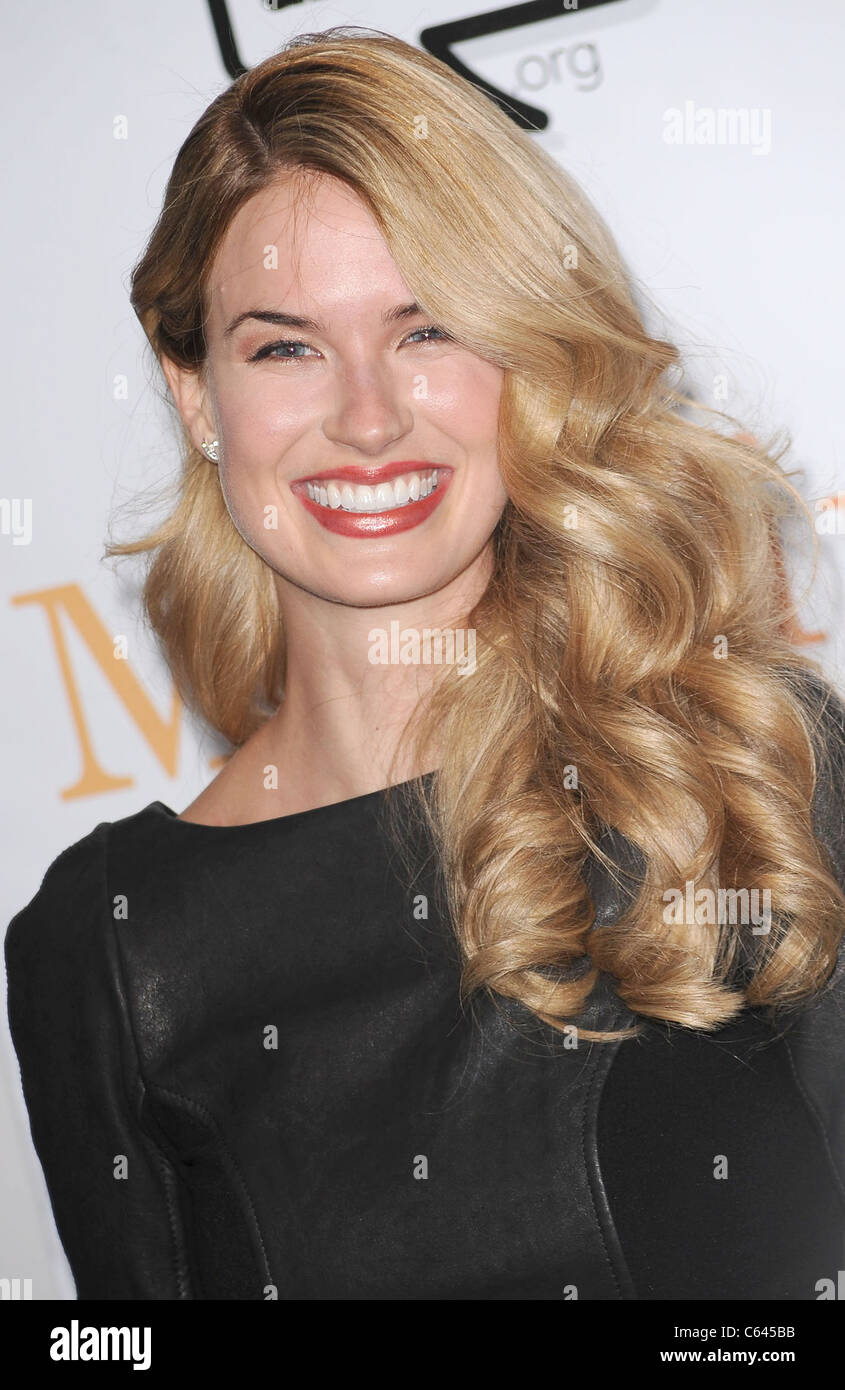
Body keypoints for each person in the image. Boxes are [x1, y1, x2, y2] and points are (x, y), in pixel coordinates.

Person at [5, 26, 845, 1301]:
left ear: (525, 358)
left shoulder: (745, 766)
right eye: (283, 346)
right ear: (194, 392)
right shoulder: (108, 950)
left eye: (426, 330)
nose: (366, 416)